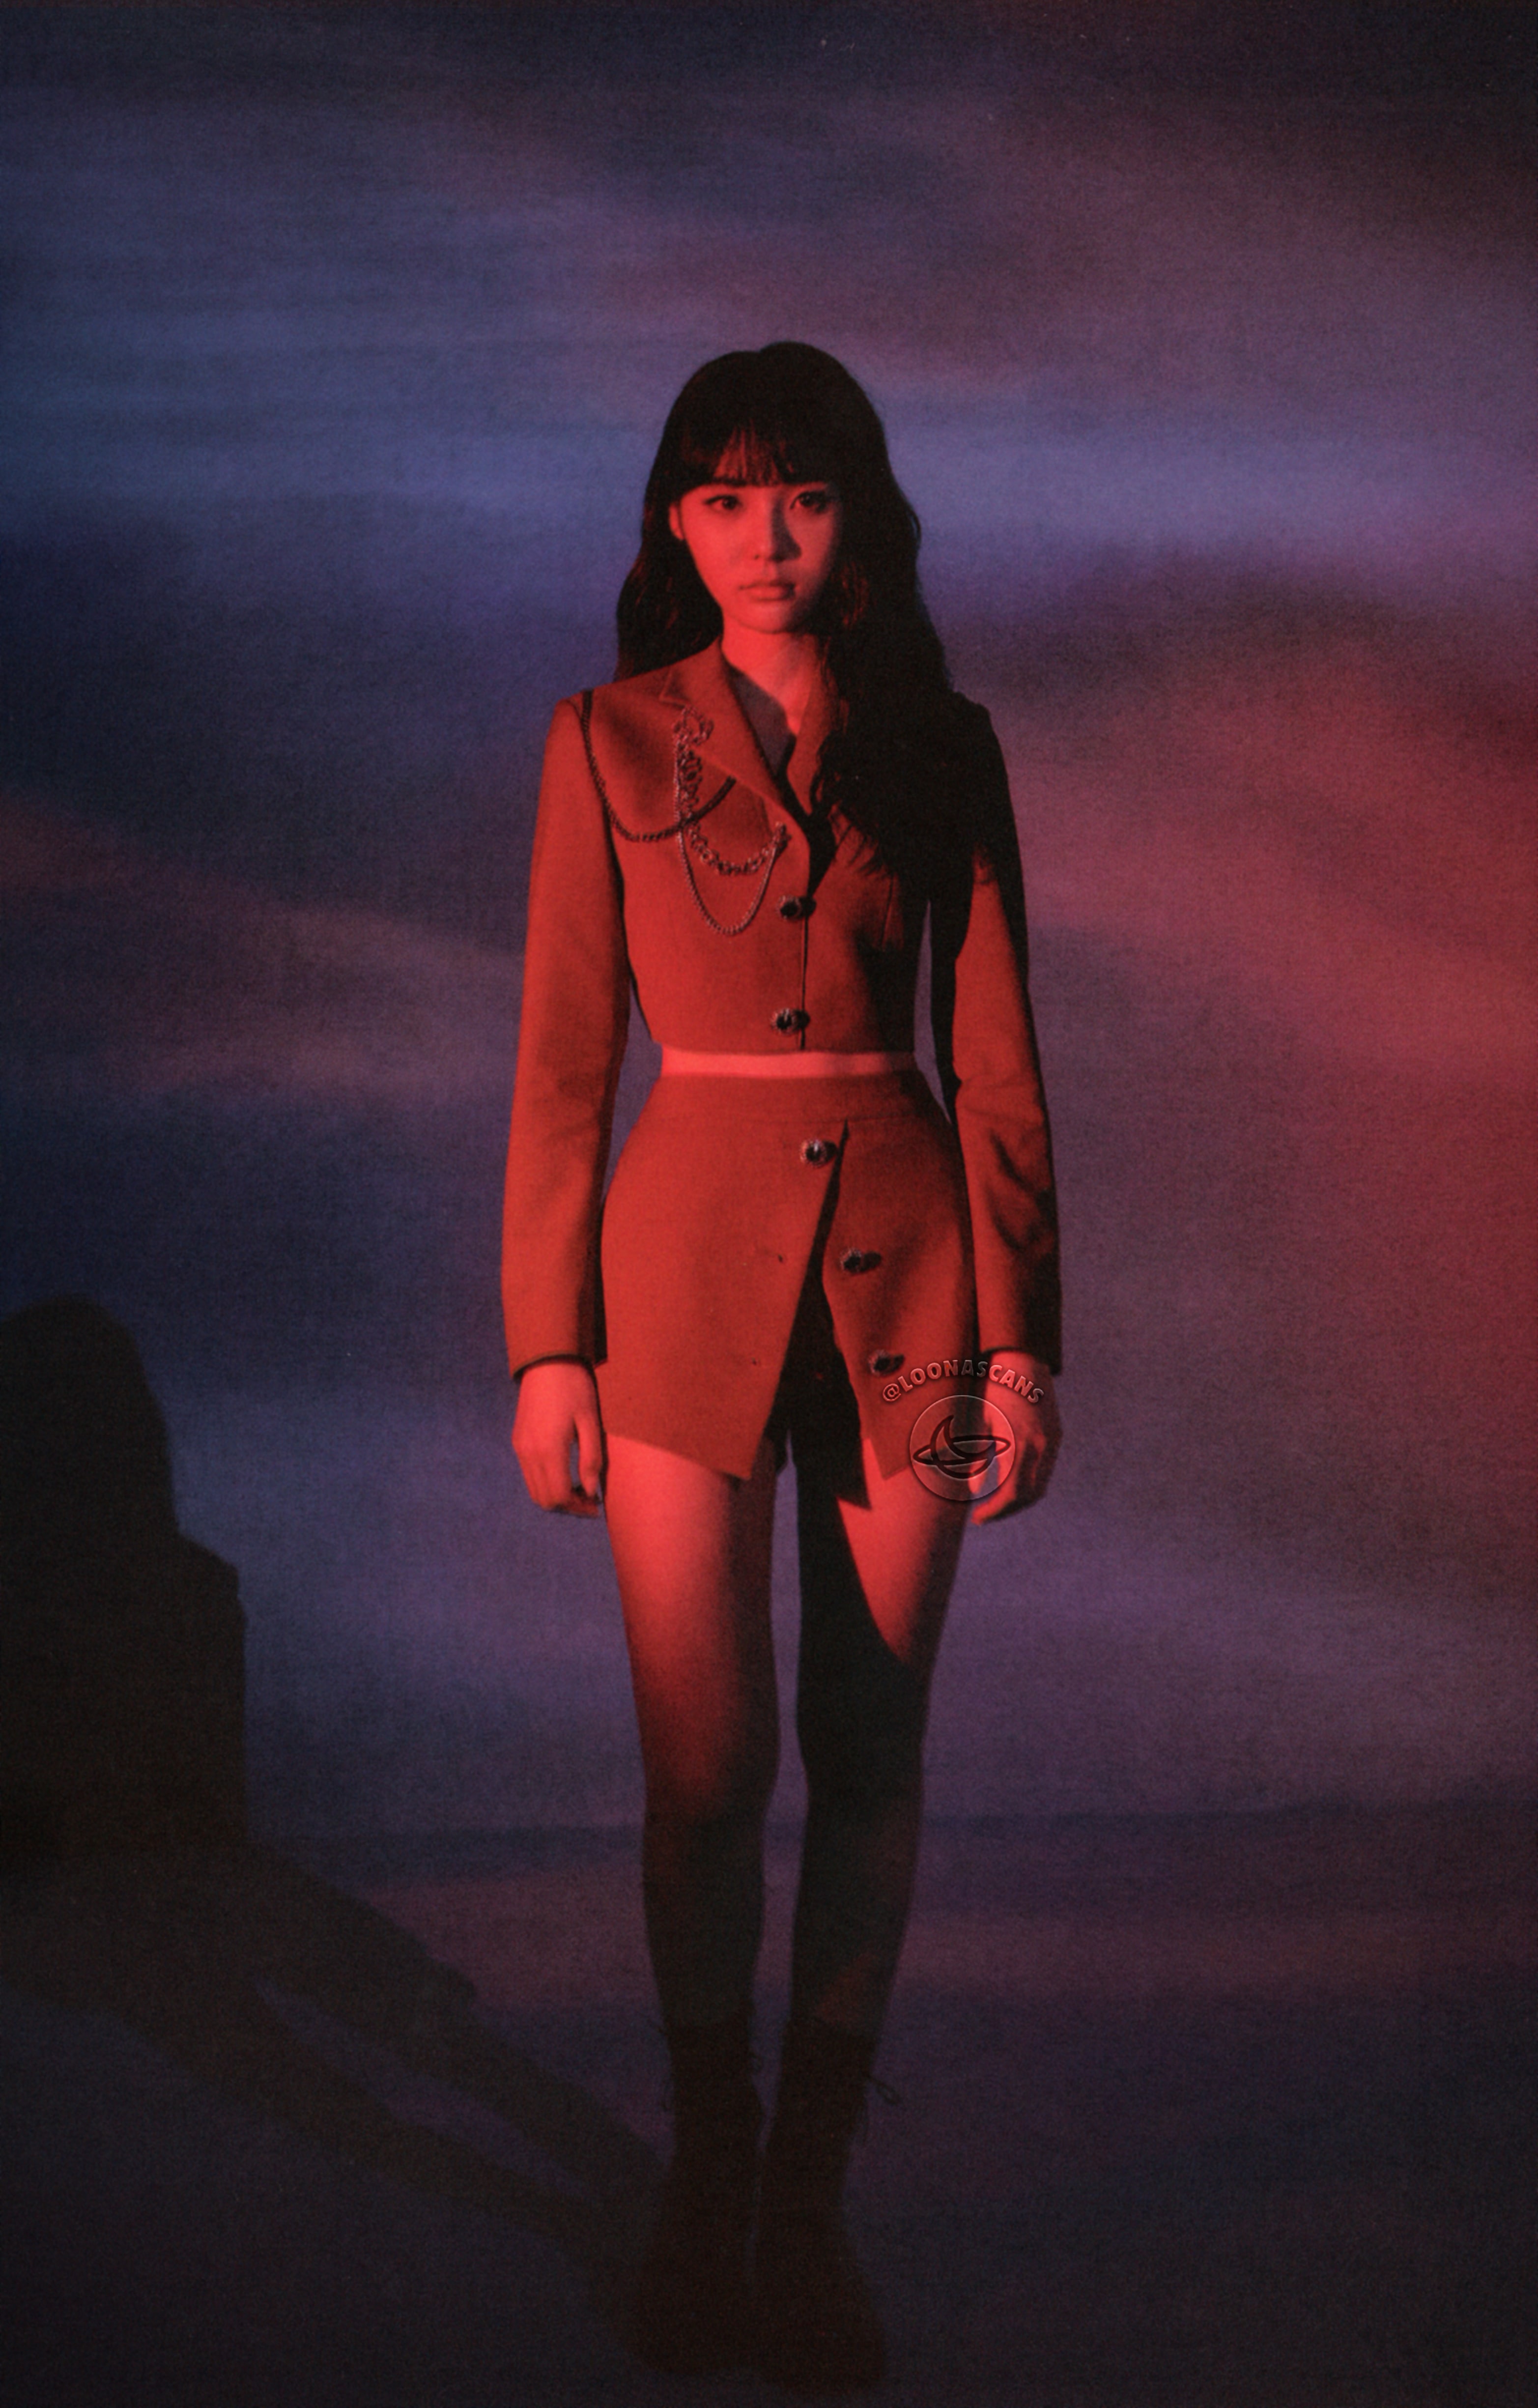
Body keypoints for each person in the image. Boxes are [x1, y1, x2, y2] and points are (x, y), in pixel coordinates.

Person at [503, 343, 1061, 2388]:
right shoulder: (602, 739)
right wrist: (547, 1342)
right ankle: (705, 2166)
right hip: (671, 1290)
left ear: (860, 518)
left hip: (916, 1291)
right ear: (676, 519)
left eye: (805, 496)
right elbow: (564, 1066)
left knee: (872, 1748)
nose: (766, 538)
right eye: (727, 498)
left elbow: (998, 1067)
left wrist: (1027, 1343)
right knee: (705, 1769)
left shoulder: (942, 741)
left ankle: (807, 2204)